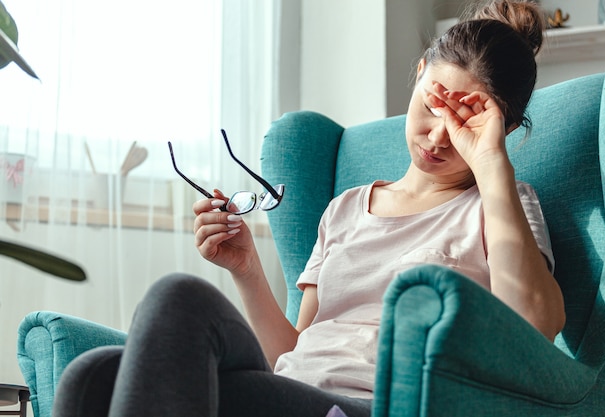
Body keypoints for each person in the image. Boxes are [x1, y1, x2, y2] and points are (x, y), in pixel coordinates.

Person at [52, 1, 565, 416]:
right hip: (296, 392)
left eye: (463, 124)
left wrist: (492, 163)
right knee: (92, 375)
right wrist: (248, 269)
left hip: (372, 404)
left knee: (179, 321)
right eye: (433, 106)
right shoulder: (344, 209)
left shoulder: (503, 209)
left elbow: (536, 325)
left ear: (503, 132)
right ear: (419, 74)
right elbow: (294, 354)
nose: (436, 135)